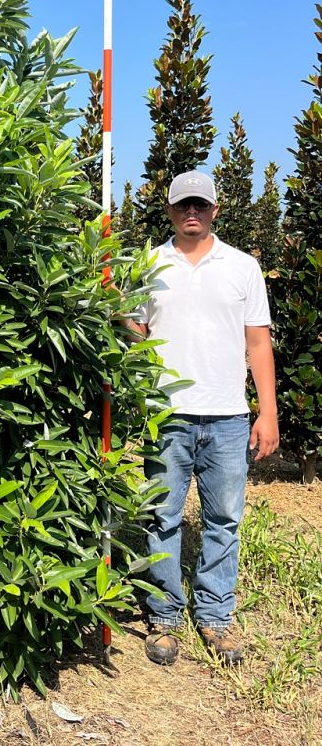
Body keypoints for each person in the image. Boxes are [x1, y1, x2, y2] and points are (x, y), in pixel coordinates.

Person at [133, 170, 278, 666]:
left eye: (200, 204)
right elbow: (136, 331)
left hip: (229, 416)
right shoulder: (149, 264)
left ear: (215, 209)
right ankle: (164, 615)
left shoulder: (242, 267)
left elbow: (258, 341)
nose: (190, 212)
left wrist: (268, 410)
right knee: (162, 516)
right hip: (166, 414)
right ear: (170, 210)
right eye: (181, 205)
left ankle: (216, 616)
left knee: (223, 520)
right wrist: (111, 303)